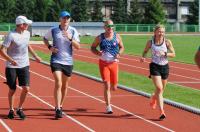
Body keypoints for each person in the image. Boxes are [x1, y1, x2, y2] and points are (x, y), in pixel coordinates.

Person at [0, 15, 41, 120]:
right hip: (11, 66)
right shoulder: (11, 35)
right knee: (12, 89)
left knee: (26, 88)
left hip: (24, 64)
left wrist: (35, 56)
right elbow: (2, 50)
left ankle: (20, 108)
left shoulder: (27, 34)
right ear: (21, 24)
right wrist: (10, 60)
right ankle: (11, 109)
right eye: (26, 24)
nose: (27, 25)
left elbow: (28, 45)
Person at [43, 11, 80, 118]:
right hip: (56, 60)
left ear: (69, 19)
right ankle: (58, 107)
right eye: (64, 18)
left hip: (68, 61)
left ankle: (61, 105)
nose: (65, 20)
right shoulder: (53, 30)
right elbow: (45, 38)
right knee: (58, 83)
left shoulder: (73, 31)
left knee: (65, 86)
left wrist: (70, 38)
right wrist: (50, 47)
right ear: (60, 19)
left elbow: (78, 47)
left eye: (67, 18)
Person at [140, 24, 175, 120]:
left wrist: (166, 53)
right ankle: (161, 112)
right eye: (159, 31)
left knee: (161, 90)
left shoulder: (167, 42)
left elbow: (173, 54)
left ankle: (153, 97)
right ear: (155, 32)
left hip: (165, 67)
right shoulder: (150, 42)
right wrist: (143, 57)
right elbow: (145, 51)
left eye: (163, 32)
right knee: (159, 88)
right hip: (154, 66)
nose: (161, 33)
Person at [91, 19, 124, 114]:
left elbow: (122, 47)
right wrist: (97, 53)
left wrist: (119, 53)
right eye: (108, 26)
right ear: (104, 27)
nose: (110, 28)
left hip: (114, 63)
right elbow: (92, 47)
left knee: (114, 87)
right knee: (106, 85)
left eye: (112, 26)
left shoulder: (117, 36)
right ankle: (108, 106)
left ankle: (113, 88)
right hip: (104, 63)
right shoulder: (100, 37)